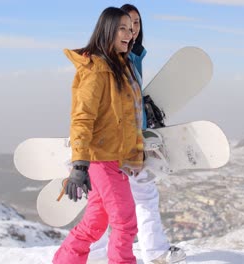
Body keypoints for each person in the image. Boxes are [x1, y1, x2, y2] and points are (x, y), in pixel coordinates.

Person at [90, 4, 187, 264]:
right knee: (130, 199)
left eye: (137, 24)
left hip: (129, 140)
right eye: (126, 24)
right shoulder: (119, 58)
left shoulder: (133, 56)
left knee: (107, 203)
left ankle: (98, 254)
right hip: (117, 144)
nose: (133, 29)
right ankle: (151, 253)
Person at [52, 7, 144, 264]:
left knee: (95, 223)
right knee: (126, 223)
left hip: (113, 159)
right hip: (102, 160)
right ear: (107, 31)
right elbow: (82, 119)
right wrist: (79, 165)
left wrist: (135, 152)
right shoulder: (97, 70)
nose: (130, 33)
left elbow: (126, 118)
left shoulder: (120, 65)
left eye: (131, 28)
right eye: (122, 28)